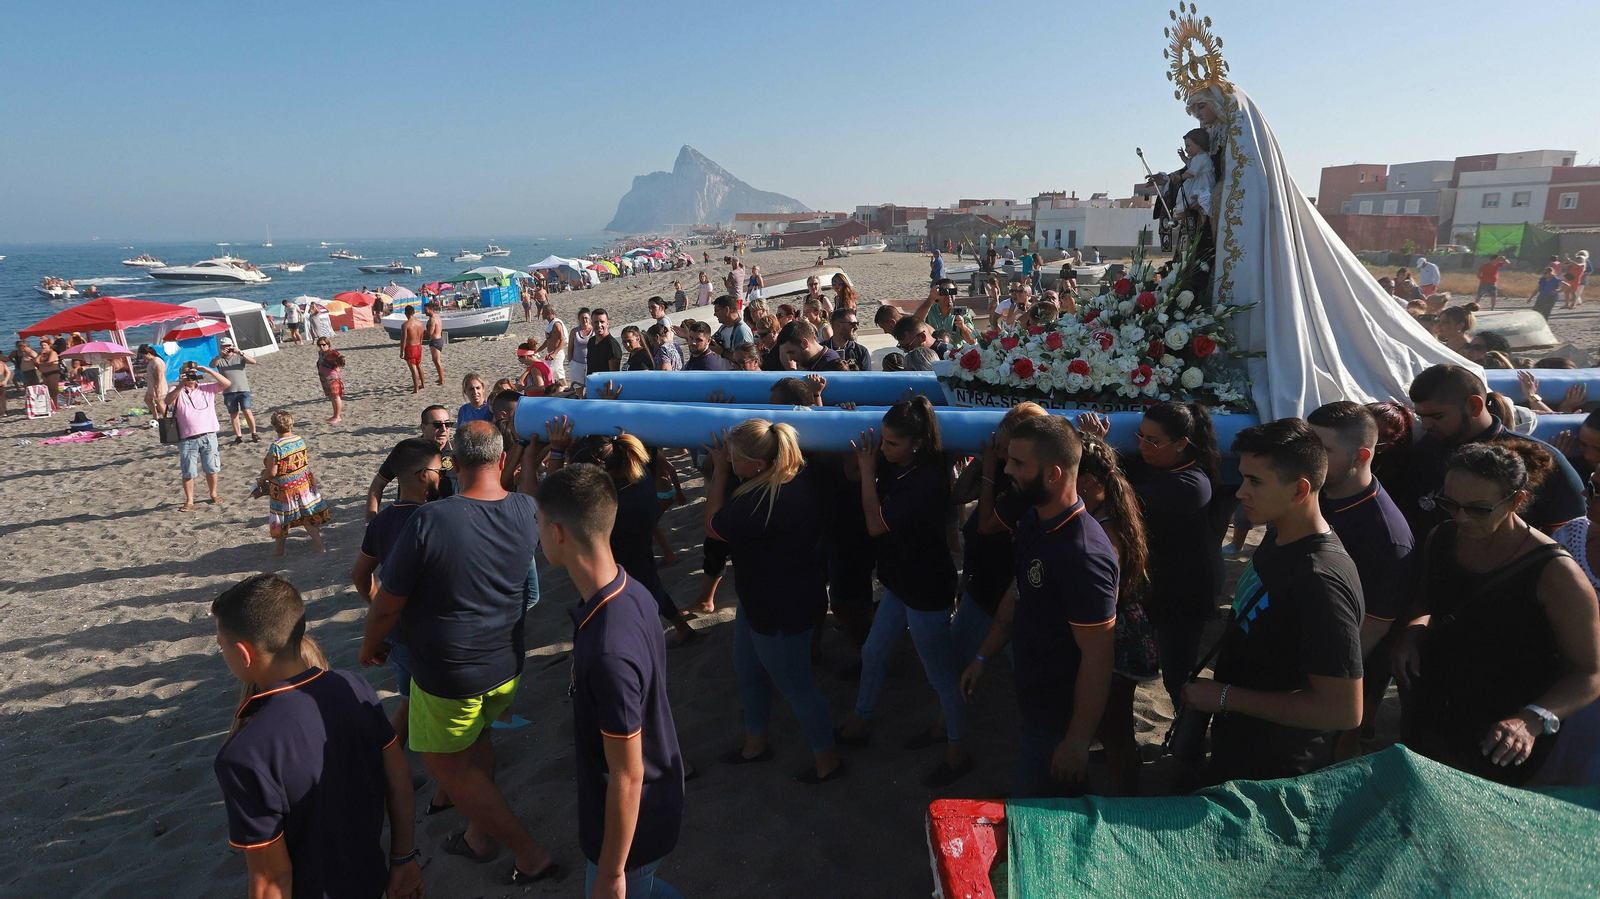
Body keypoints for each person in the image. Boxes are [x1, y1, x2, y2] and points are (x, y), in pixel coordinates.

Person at [360, 421, 558, 885]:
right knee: (476, 741)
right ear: (501, 459)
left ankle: (529, 855)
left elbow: (387, 602)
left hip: (450, 670)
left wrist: (371, 645)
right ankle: (477, 835)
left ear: (454, 463)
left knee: (445, 764)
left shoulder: (432, 519)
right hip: (505, 661)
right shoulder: (527, 510)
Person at [1393, 443, 1600, 785]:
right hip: (1431, 717)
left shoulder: (1557, 574)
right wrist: (1412, 633)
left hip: (1499, 739)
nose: (1460, 517)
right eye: (1450, 504)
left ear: (1516, 501)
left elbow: (1589, 675)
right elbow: (1427, 603)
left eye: (1478, 509)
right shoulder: (1442, 537)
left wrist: (1530, 720)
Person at [211, 574, 421, 899]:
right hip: (372, 879)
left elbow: (271, 880)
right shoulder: (355, 687)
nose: (222, 652)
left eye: (221, 645)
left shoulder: (243, 754)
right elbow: (399, 778)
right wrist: (403, 858)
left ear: (244, 653)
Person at [1180, 418, 1365, 784]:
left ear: (1299, 490)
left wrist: (1225, 698)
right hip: (1242, 750)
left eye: (1255, 482)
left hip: (1279, 772)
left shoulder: (1319, 579)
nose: (1240, 492)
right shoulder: (1279, 535)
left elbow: (1342, 710)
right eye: (1244, 477)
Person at [536, 466, 686, 897]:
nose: (538, 535)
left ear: (558, 532)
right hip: (656, 800)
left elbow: (626, 774)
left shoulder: (607, 651)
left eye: (539, 524)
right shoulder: (631, 588)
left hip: (631, 829)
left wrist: (611, 871)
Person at [960, 416, 1119, 798]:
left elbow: (1098, 658)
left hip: (1059, 718)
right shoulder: (1034, 519)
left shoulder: (1084, 555)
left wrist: (1078, 741)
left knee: (1040, 812)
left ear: (1053, 474)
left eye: (1017, 463)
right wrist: (983, 657)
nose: (1006, 469)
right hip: (1034, 701)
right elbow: (1020, 591)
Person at [837, 398, 972, 787]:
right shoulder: (899, 464)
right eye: (882, 441)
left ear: (916, 443)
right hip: (900, 581)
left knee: (941, 677)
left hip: (926, 588)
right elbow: (851, 472)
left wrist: (867, 472)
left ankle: (958, 750)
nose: (883, 448)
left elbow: (876, 526)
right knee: (873, 651)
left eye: (891, 443)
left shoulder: (925, 479)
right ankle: (861, 720)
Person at [704, 419, 843, 783]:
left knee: (798, 688)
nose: (731, 462)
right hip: (768, 597)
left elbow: (712, 527)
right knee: (747, 670)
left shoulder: (758, 501)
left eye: (735, 458)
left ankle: (827, 762)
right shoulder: (793, 477)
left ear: (759, 464)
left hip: (780, 606)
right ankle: (755, 745)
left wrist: (719, 473)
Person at [1081, 402, 1221, 708]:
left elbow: (1122, 497)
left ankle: (1189, 745)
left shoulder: (1192, 484)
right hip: (1151, 589)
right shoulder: (1157, 464)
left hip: (1182, 596)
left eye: (1153, 440)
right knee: (1129, 673)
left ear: (1182, 444)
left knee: (1177, 676)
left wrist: (1097, 447)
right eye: (1140, 435)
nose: (1143, 446)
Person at [1306, 401, 1415, 758]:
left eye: (1324, 450)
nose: (1311, 456)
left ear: (1361, 455)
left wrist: (1311, 675)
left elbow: (1374, 626)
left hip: (1335, 678)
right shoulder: (1317, 492)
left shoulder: (1386, 535)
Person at [549, 421, 699, 648]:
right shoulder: (640, 471)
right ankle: (682, 628)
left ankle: (671, 631)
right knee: (652, 586)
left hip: (618, 562)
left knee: (617, 601)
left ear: (604, 472)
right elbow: (615, 441)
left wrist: (556, 451)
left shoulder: (608, 504)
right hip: (639, 547)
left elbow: (552, 497)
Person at [1407, 365, 1586, 533]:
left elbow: (1570, 536)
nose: (1426, 425)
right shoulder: (1426, 450)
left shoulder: (1537, 460)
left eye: (1437, 416)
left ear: (1474, 406)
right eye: (1421, 416)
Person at [1075, 434, 1155, 796]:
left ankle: (1128, 794)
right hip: (1129, 629)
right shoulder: (1111, 506)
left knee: (1115, 725)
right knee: (1113, 720)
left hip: (1119, 639)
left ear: (1089, 482)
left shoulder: (1105, 533)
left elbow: (1105, 597)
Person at [351, 437, 441, 751]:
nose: (442, 476)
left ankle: (385, 762)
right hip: (428, 633)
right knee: (428, 705)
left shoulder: (382, 522)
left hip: (398, 633)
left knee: (409, 701)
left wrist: (378, 603)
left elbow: (360, 574)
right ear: (423, 475)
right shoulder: (434, 517)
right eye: (439, 470)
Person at [1539, 470, 1600, 785]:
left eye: (1597, 489)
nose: (1586, 495)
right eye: (1590, 483)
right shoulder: (1573, 534)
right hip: (1564, 679)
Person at [260, 410, 331, 556]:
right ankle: (319, 545)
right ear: (291, 424)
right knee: (306, 516)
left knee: (281, 519)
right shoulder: (299, 440)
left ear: (274, 426)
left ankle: (279, 551)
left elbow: (272, 472)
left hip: (284, 488)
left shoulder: (276, 446)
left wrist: (261, 479)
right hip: (303, 483)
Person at [367, 406, 457, 519]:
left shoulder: (458, 452)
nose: (444, 429)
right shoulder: (408, 451)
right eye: (437, 425)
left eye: (448, 424)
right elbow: (378, 483)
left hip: (446, 517)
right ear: (423, 427)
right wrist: (371, 521)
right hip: (410, 517)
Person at [167, 361, 231, 511]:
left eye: (193, 372)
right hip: (187, 438)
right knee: (188, 470)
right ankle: (189, 500)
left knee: (212, 468)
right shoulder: (176, 390)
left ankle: (213, 493)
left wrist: (208, 370)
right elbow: (167, 401)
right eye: (187, 372)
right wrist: (181, 384)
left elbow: (227, 383)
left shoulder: (206, 388)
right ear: (181, 374)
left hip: (208, 435)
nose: (191, 375)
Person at [212, 338, 259, 444]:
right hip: (228, 391)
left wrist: (240, 352)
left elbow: (253, 361)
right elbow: (212, 365)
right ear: (221, 347)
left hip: (243, 389)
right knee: (234, 414)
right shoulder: (220, 359)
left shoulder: (239, 357)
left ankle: (254, 433)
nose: (227, 348)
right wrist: (220, 355)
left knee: (247, 411)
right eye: (224, 346)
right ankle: (239, 436)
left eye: (229, 345)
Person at [824, 307, 870, 371]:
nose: (856, 327)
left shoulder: (861, 352)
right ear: (838, 326)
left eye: (857, 324)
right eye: (853, 324)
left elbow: (866, 378)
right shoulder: (822, 351)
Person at [586, 309, 624, 380]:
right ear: (592, 324)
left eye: (602, 322)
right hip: (592, 384)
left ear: (607, 323)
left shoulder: (611, 344)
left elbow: (614, 374)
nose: (599, 325)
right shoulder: (591, 341)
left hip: (605, 387)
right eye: (596, 322)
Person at [536, 302, 569, 383]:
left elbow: (563, 340)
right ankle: (566, 392)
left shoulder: (556, 324)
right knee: (559, 377)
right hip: (553, 354)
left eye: (544, 312)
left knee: (549, 374)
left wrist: (554, 354)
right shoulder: (551, 324)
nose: (542, 313)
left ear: (549, 312)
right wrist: (538, 350)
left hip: (556, 354)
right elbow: (548, 341)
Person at [315, 338, 344, 424]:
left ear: (328, 345)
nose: (321, 347)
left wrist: (338, 367)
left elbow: (341, 358)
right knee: (331, 397)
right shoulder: (321, 353)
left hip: (333, 378)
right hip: (324, 378)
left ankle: (337, 416)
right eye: (319, 345)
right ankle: (335, 415)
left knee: (335, 396)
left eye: (323, 344)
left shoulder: (332, 353)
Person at [400, 306, 426, 393]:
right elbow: (422, 336)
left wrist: (401, 351)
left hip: (410, 348)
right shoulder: (420, 324)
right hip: (418, 346)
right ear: (414, 313)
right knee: (419, 365)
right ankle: (423, 383)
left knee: (413, 370)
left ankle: (416, 388)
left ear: (405, 313)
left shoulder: (405, 325)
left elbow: (403, 340)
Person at [138, 345, 167, 418]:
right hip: (152, 384)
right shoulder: (153, 361)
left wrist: (158, 386)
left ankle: (166, 418)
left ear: (148, 354)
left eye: (144, 356)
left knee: (159, 401)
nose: (144, 358)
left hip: (157, 384)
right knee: (147, 399)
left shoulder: (156, 361)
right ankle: (155, 417)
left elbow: (159, 374)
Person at [423, 303, 446, 386]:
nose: (425, 312)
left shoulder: (433, 319)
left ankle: (442, 380)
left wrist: (422, 332)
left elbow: (431, 332)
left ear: (431, 309)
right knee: (435, 360)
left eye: (426, 310)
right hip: (438, 339)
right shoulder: (437, 317)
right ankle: (440, 378)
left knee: (437, 361)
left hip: (435, 340)